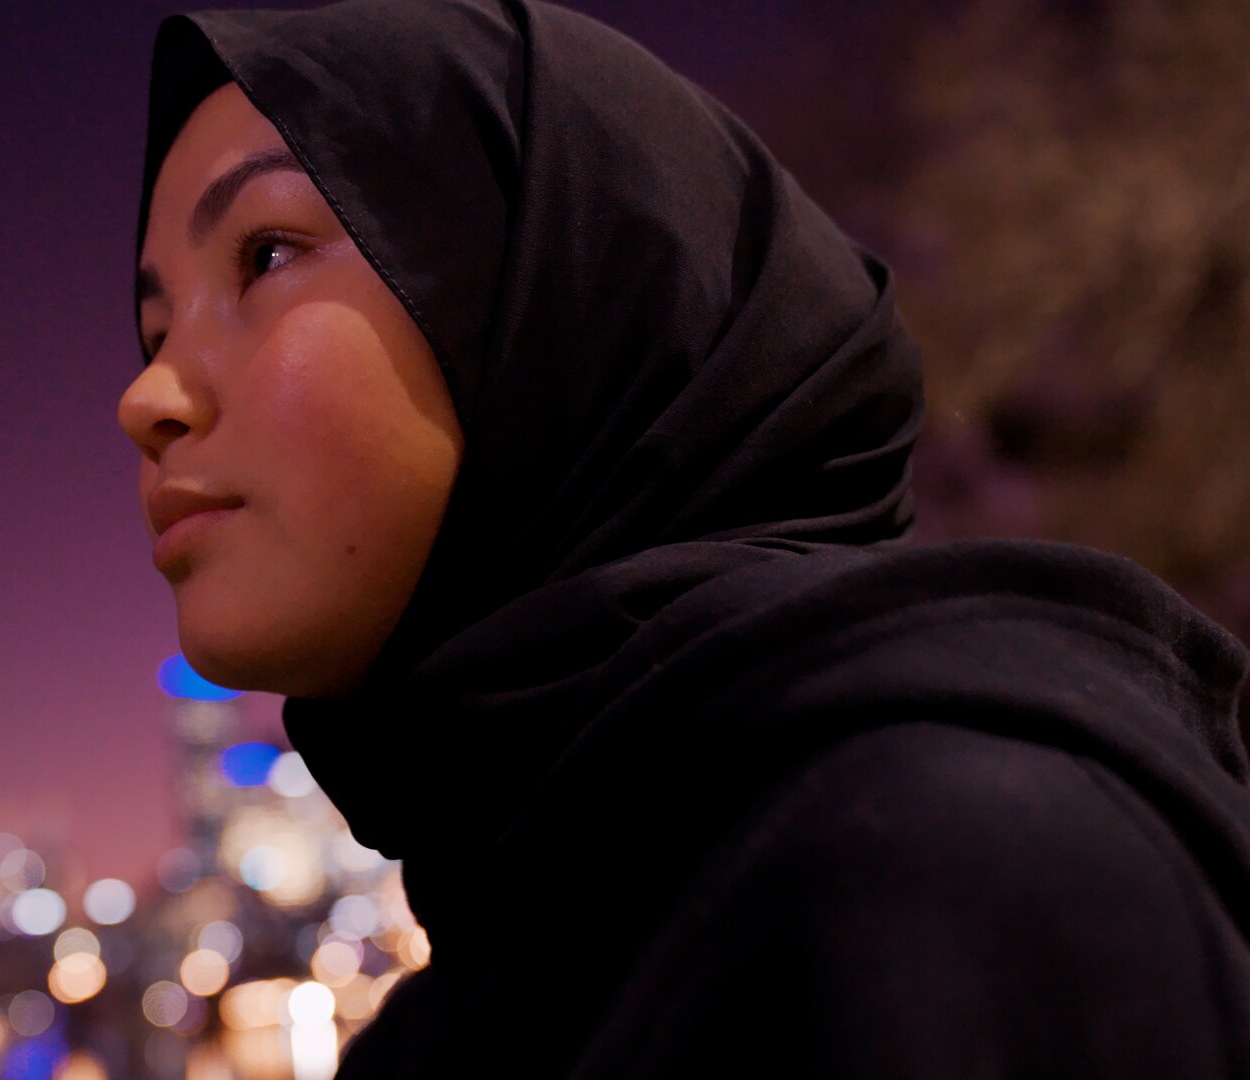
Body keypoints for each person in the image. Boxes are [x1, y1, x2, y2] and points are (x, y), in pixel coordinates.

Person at [115, 0, 1250, 1075]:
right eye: (155, 323)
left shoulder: (952, 868)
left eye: (265, 255)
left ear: (564, 296)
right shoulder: (496, 978)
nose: (148, 394)